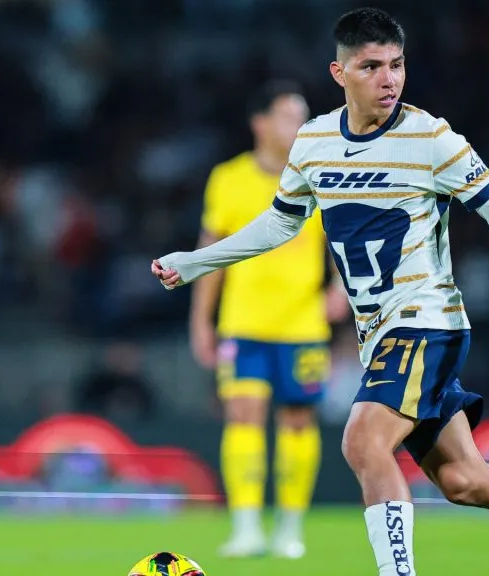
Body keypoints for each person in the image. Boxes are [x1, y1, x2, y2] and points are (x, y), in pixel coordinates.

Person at [152, 8, 489, 576]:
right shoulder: (314, 141)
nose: (388, 79)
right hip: (380, 336)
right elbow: (280, 224)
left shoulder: (430, 137)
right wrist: (197, 262)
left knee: (363, 441)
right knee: (467, 481)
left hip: (426, 323)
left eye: (397, 65)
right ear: (339, 72)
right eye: (371, 67)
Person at [188, 80, 349, 559]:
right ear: (260, 122)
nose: (297, 126)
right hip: (243, 324)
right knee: (243, 416)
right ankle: (245, 527)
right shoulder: (228, 178)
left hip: (302, 326)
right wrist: (201, 320)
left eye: (302, 116)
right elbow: (209, 252)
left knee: (298, 422)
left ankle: (290, 529)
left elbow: (341, 240)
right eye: (287, 116)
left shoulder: (320, 176)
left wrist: (340, 288)